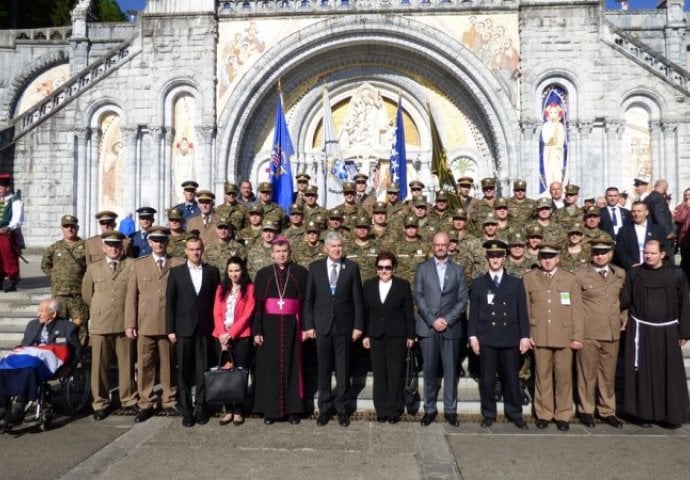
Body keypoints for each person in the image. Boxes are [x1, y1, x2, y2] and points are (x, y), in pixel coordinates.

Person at [619, 239, 690, 428]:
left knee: (668, 373)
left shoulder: (676, 274)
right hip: (641, 330)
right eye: (646, 253)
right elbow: (625, 299)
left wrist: (684, 331)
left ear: (663, 254)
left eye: (652, 253)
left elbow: (685, 303)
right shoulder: (635, 273)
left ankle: (670, 415)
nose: (648, 256)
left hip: (668, 332)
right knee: (642, 373)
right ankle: (642, 414)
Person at [303, 231, 364, 427]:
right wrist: (309, 325)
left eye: (339, 246)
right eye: (333, 246)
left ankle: (342, 409)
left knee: (343, 369)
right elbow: (309, 300)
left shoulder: (352, 268)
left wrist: (358, 325)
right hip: (322, 326)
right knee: (323, 370)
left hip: (344, 327)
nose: (337, 249)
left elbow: (357, 299)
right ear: (325, 249)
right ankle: (324, 409)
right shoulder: (315, 268)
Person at [468, 240, 530, 430]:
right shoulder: (479, 282)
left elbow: (522, 311)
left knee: (511, 378)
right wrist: (472, 336)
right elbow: (474, 312)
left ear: (504, 258)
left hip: (510, 337)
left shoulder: (515, 281)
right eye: (491, 256)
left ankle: (515, 413)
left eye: (498, 256)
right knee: (487, 379)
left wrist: (525, 336)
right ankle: (488, 413)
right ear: (487, 259)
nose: (495, 260)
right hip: (487, 337)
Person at [522, 243, 584, 431]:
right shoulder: (529, 278)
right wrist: (528, 334)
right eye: (543, 257)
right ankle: (544, 413)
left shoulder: (570, 279)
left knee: (564, 377)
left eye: (551, 257)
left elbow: (578, 311)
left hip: (564, 336)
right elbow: (525, 309)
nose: (547, 261)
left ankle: (563, 414)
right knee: (542, 376)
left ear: (558, 258)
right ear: (539, 259)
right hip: (539, 335)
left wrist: (577, 336)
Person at [125, 226, 184, 422]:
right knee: (145, 365)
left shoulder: (177, 264)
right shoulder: (139, 265)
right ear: (149, 243)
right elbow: (131, 296)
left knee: (168, 364)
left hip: (168, 324)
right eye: (155, 241)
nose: (159, 244)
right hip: (145, 323)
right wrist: (130, 323)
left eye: (162, 241)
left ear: (167, 243)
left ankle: (169, 399)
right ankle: (146, 402)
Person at [414, 231, 468, 427]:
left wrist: (447, 319)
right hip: (428, 327)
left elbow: (463, 299)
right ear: (432, 245)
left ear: (449, 246)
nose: (440, 248)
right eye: (437, 244)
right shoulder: (422, 268)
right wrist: (432, 319)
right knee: (429, 370)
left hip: (450, 328)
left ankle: (450, 410)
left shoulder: (458, 270)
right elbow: (418, 296)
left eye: (443, 244)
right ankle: (429, 409)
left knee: (450, 371)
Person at [81, 231, 137, 420]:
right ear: (103, 248)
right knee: (99, 366)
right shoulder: (94, 268)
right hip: (101, 322)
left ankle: (128, 399)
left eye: (117, 245)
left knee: (127, 364)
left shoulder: (131, 265)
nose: (114, 249)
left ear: (122, 247)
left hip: (124, 322)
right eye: (110, 245)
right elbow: (87, 295)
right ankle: (100, 403)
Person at [0, 298, 81, 427]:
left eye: (42, 311)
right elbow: (25, 346)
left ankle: (19, 408)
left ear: (53, 313)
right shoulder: (32, 325)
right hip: (30, 359)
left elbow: (77, 350)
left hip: (47, 364)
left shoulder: (67, 327)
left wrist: (70, 367)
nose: (38, 314)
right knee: (3, 366)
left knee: (28, 369)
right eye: (38, 310)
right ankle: (3, 407)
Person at [166, 236, 220, 427]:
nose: (195, 252)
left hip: (205, 329)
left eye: (198, 249)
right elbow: (170, 303)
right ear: (186, 251)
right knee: (184, 372)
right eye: (191, 249)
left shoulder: (212, 272)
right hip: (183, 329)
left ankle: (201, 408)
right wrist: (170, 329)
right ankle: (186, 410)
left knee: (203, 370)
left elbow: (217, 301)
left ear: (202, 249)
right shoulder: (176, 273)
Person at [252, 238, 308, 424]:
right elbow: (258, 305)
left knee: (293, 366)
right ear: (272, 254)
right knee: (270, 369)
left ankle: (293, 410)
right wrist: (257, 329)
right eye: (278, 251)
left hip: (293, 325)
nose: (281, 254)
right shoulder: (263, 274)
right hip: (269, 326)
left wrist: (306, 328)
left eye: (284, 251)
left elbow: (306, 303)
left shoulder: (300, 273)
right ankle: (271, 411)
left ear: (289, 252)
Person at [574, 236, 626, 429]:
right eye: (596, 252)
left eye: (603, 252)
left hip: (612, 332)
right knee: (587, 374)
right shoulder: (580, 275)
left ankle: (607, 410)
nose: (600, 256)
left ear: (611, 254)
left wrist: (625, 317)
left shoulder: (619, 274)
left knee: (608, 375)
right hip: (589, 331)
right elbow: (575, 306)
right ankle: (586, 410)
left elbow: (625, 300)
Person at [361, 252, 415, 423]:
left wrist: (411, 335)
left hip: (397, 335)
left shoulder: (402, 285)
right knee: (379, 373)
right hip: (376, 335)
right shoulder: (368, 285)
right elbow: (365, 312)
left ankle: (393, 410)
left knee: (394, 373)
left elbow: (408, 312)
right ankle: (381, 410)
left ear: (394, 268)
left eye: (388, 267)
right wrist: (365, 334)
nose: (384, 271)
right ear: (376, 269)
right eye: (380, 267)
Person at [213, 256, 255, 426]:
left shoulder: (250, 289)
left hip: (241, 336)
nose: (234, 274)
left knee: (239, 373)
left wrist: (232, 333)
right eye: (231, 271)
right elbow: (216, 312)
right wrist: (222, 334)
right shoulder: (221, 288)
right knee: (225, 373)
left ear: (242, 271)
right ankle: (227, 408)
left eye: (237, 270)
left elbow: (248, 313)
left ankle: (238, 409)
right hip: (221, 336)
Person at [41, 215, 89, 343]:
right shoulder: (54, 248)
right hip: (59, 295)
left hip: (78, 295)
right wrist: (57, 276)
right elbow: (45, 265)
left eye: (72, 226)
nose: (70, 229)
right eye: (66, 226)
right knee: (57, 327)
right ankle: (58, 356)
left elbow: (91, 267)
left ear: (77, 228)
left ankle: (81, 357)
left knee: (81, 327)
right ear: (62, 228)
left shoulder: (86, 247)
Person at [614, 201, 667, 271]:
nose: (636, 214)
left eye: (639, 211)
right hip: (633, 269)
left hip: (654, 269)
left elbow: (664, 249)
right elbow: (620, 251)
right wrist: (631, 264)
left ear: (646, 212)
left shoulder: (658, 230)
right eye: (633, 211)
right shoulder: (623, 231)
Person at [0, 173, 24, 292]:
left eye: (0, 187)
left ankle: (12, 280)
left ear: (7, 188)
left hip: (7, 233)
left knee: (8, 255)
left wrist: (9, 227)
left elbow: (17, 218)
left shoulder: (15, 200)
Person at [673, 187, 690, 282]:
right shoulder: (681, 206)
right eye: (686, 195)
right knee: (686, 262)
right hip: (685, 239)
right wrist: (687, 207)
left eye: (689, 195)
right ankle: (684, 282)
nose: (687, 197)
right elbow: (679, 219)